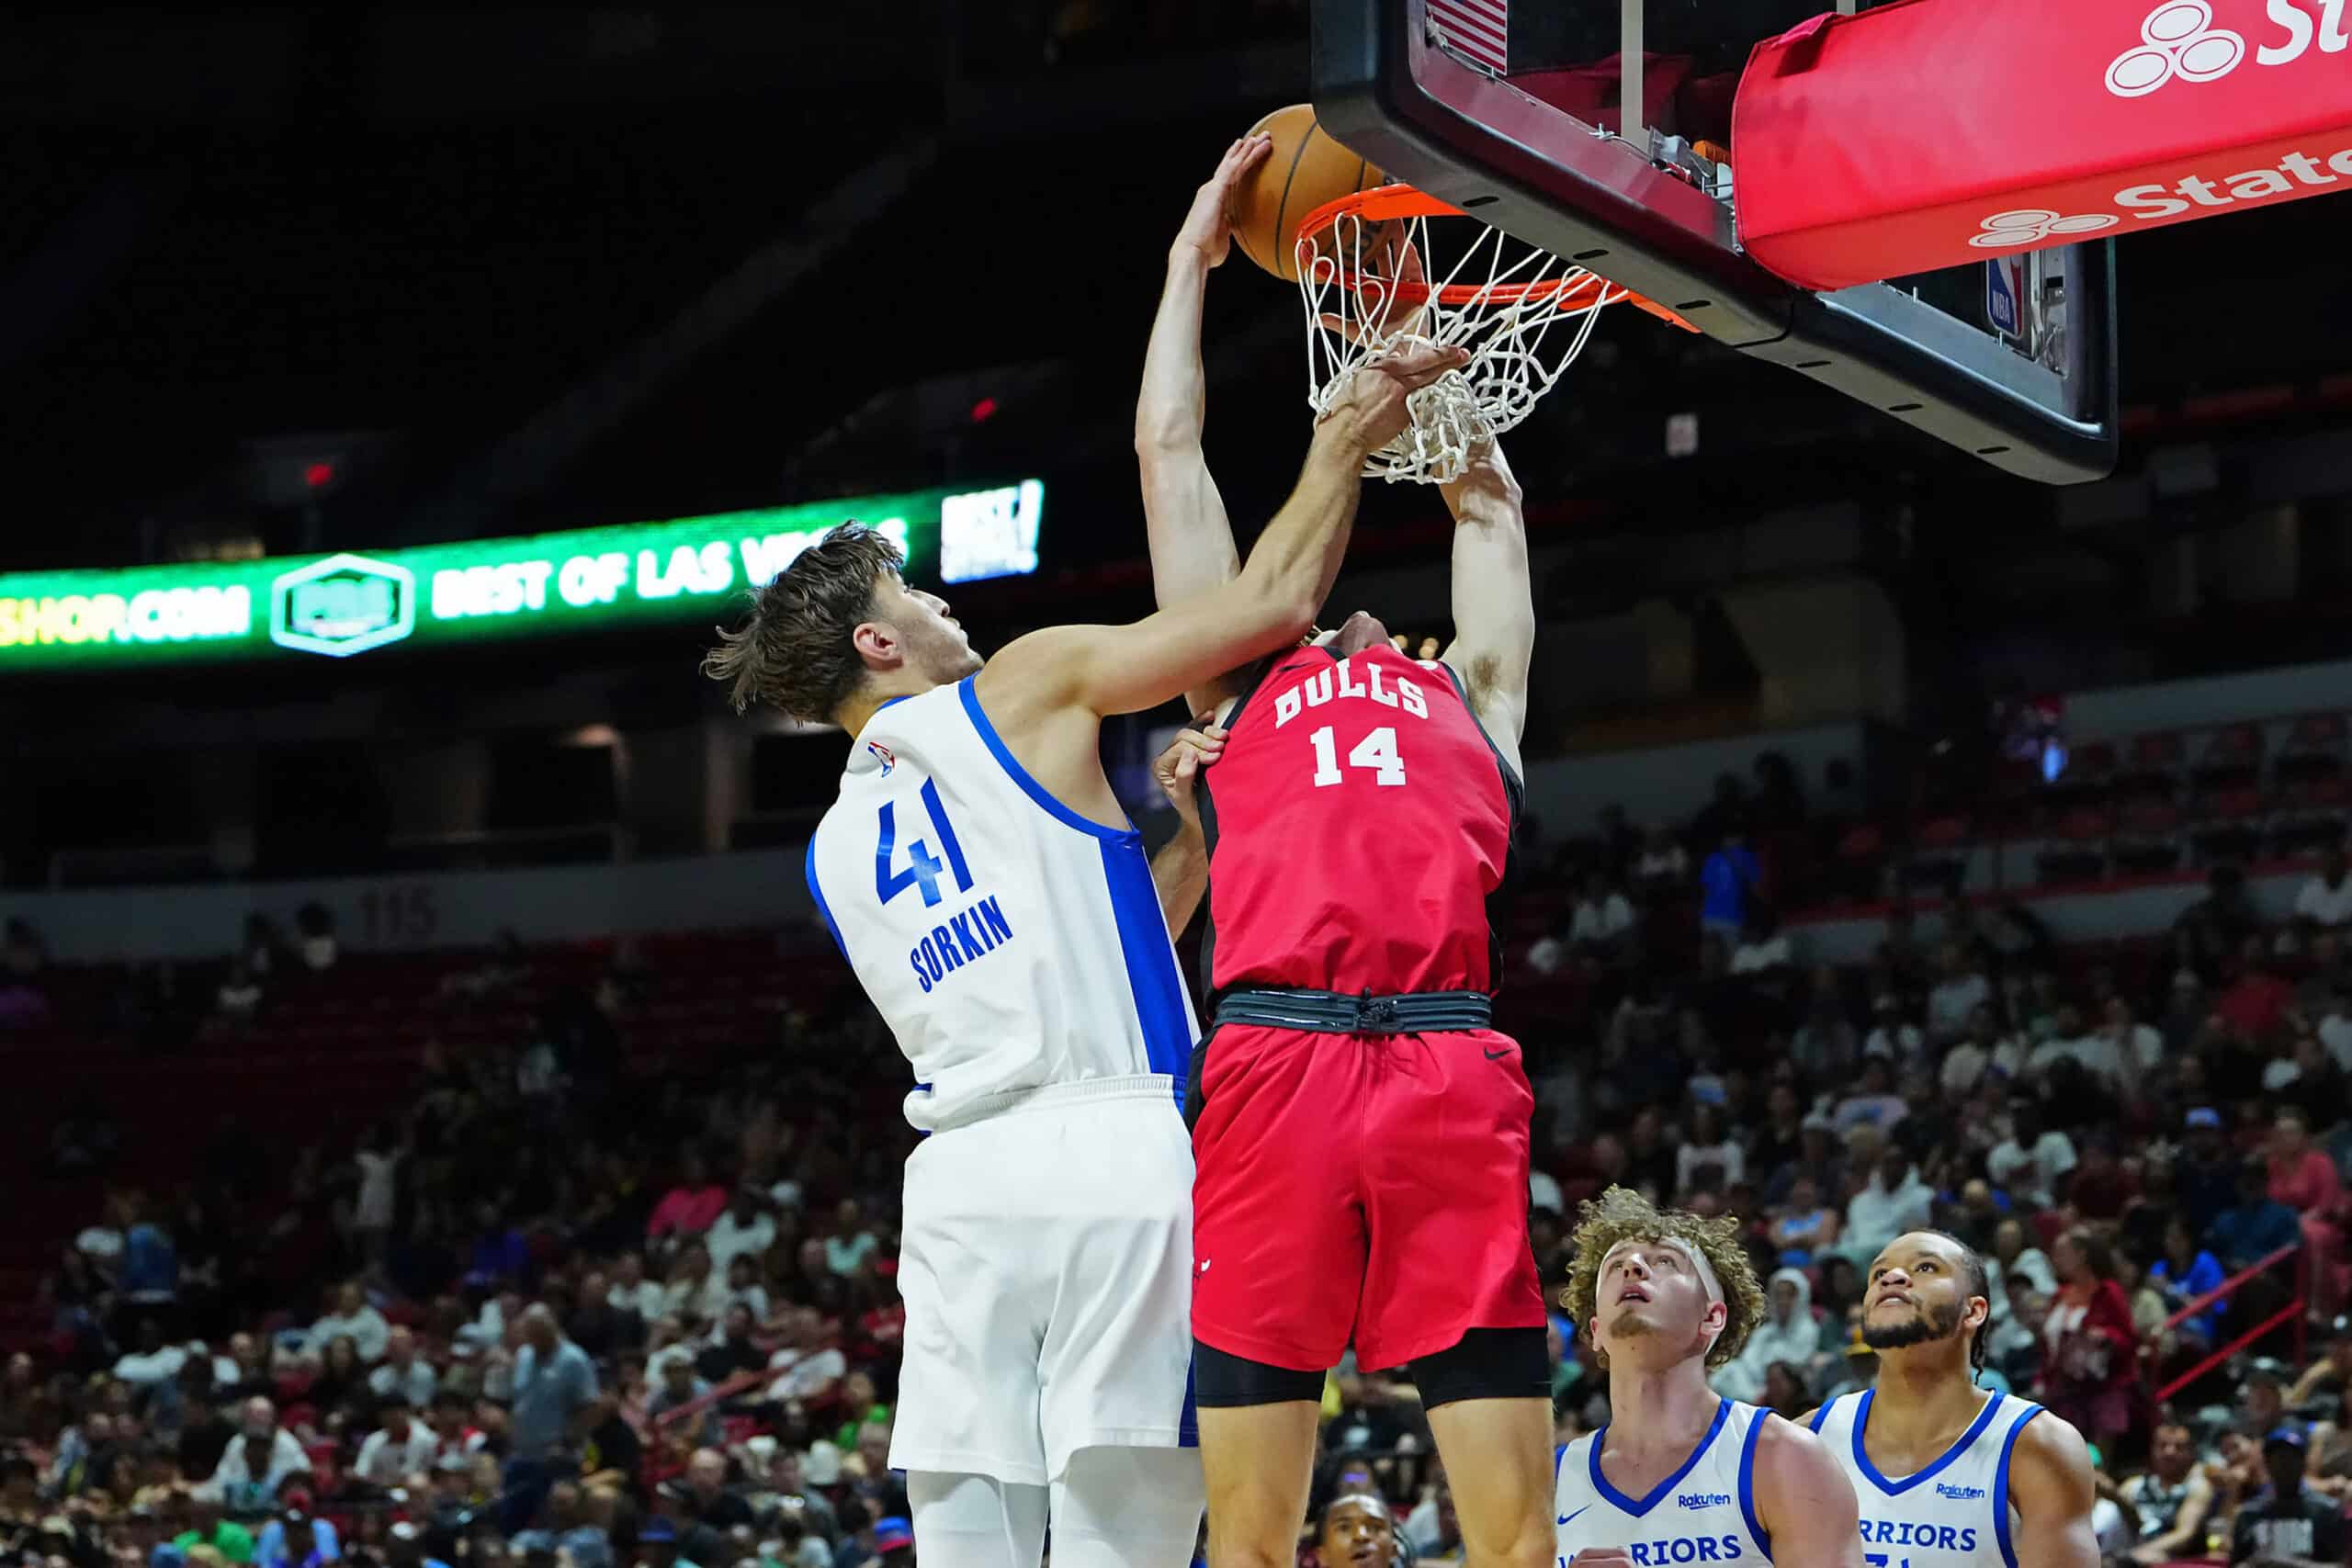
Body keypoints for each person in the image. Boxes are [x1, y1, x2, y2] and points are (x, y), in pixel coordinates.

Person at [707, 133, 1465, 1568]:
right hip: (1115, 1144)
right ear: (880, 642)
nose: (942, 605)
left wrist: (1189, 830)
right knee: (1129, 1532)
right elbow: (1260, 604)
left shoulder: (834, 843)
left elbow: (1082, 930)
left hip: (961, 1187)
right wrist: (1344, 435)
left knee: (972, 1536)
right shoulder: (1025, 682)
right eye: (914, 593)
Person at [1136, 142, 1549, 1568]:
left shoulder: (1473, 697)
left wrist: (1440, 367)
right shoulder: (1236, 678)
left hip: (1444, 1060)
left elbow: (1487, 507)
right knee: (1249, 1535)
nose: (1364, 615)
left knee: (1513, 1533)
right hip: (1276, 1060)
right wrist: (1192, 261)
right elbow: (1171, 457)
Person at [1551, 1188, 1860, 1566]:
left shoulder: (1785, 1457)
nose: (1633, 1267)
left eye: (1664, 1261)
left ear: (1712, 1317)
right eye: (1616, 1266)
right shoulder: (1551, 1482)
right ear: (1595, 1330)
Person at [1808, 1231, 2098, 1568]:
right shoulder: (1810, 1437)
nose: (1892, 1278)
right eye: (1878, 1274)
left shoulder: (2038, 1447)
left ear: (1973, 1311)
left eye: (1926, 1268)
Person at [2231, 1427, 2344, 1566]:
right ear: (2267, 1464)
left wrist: (2286, 1564)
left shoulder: (2326, 1512)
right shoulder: (2249, 1514)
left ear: (2303, 1463)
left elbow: (2340, 1566)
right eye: (2278, 1458)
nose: (2284, 1465)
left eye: (2291, 1458)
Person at [2122, 1422, 2213, 1564]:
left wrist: (2134, 1555)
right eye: (2163, 1445)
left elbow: (2184, 1534)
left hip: (2174, 1561)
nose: (2169, 1452)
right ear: (2152, 1449)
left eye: (2179, 1447)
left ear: (2190, 1453)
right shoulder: (2133, 1486)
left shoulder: (2197, 1487)